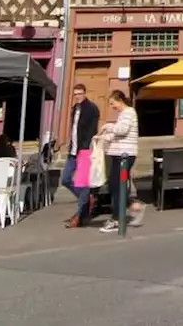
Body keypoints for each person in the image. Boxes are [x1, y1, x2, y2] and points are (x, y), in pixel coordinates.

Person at [99, 89, 145, 233]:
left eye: (113, 103)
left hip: (124, 156)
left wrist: (108, 126)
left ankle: (117, 219)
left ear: (120, 101)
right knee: (115, 185)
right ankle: (133, 206)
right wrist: (103, 138)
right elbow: (117, 135)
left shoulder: (129, 113)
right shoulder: (123, 114)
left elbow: (122, 130)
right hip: (119, 155)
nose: (112, 107)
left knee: (118, 185)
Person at [60, 83, 100, 229]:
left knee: (82, 183)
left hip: (84, 151)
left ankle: (79, 216)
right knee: (65, 179)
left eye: (80, 93)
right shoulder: (74, 109)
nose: (78, 96)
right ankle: (87, 200)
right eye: (76, 94)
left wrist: (86, 148)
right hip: (73, 151)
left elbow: (91, 131)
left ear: (84, 93)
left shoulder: (92, 109)